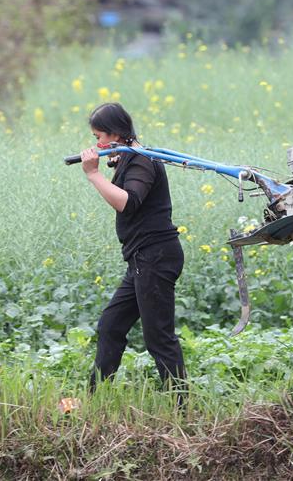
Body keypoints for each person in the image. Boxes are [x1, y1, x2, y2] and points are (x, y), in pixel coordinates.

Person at [79, 103, 187, 397]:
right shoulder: (129, 158)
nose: (97, 144)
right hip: (143, 259)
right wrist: (112, 162)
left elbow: (127, 202)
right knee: (111, 326)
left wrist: (93, 174)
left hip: (155, 256)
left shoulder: (142, 160)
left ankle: (181, 406)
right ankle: (96, 398)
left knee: (159, 339)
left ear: (116, 133)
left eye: (99, 136)